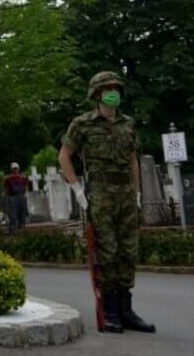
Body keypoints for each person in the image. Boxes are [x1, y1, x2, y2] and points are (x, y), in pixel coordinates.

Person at [59, 70, 154, 334]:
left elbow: (133, 159)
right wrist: (77, 189)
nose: (112, 93)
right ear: (97, 94)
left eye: (115, 88)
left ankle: (126, 310)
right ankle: (110, 311)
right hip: (100, 195)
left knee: (129, 251)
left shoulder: (128, 124)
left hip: (125, 193)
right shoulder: (83, 124)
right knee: (108, 251)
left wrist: (137, 192)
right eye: (107, 89)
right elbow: (64, 156)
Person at [2, 163, 29, 234]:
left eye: (16, 168)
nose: (15, 169)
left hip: (22, 196)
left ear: (19, 168)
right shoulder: (8, 178)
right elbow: (6, 189)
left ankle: (22, 229)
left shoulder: (23, 177)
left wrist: (25, 195)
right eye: (14, 168)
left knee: (22, 214)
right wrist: (7, 198)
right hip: (12, 197)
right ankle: (13, 230)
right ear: (11, 169)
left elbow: (26, 186)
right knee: (13, 214)